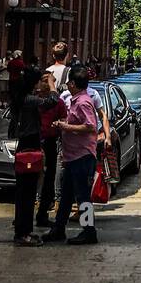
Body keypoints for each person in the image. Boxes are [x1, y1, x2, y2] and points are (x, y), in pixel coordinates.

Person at [44, 68, 100, 245]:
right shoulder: (76, 101)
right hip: (72, 156)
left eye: (69, 82)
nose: (67, 85)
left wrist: (67, 128)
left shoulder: (83, 102)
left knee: (83, 196)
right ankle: (59, 228)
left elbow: (91, 126)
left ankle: (89, 231)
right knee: (66, 195)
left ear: (73, 84)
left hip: (82, 156)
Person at [8, 66, 45, 247]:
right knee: (27, 194)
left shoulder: (20, 99)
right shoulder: (30, 100)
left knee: (24, 193)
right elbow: (52, 101)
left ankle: (23, 231)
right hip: (29, 147)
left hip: (23, 146)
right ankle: (23, 234)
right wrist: (52, 86)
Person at [35, 72, 68, 229]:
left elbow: (63, 119)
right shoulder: (39, 100)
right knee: (38, 180)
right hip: (39, 143)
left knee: (46, 179)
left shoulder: (56, 102)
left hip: (46, 143)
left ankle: (41, 214)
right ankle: (35, 215)